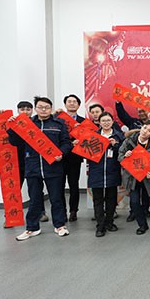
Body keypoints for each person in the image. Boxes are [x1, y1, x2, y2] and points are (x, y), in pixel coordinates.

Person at [8, 96, 72, 241]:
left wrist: (61, 153)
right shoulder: (27, 124)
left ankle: (60, 225)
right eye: (40, 107)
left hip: (54, 167)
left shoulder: (59, 124)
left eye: (47, 107)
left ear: (51, 109)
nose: (44, 110)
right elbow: (15, 142)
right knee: (34, 199)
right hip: (33, 166)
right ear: (35, 109)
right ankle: (32, 228)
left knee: (56, 198)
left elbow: (66, 143)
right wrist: (12, 127)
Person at [0, 101, 50, 225]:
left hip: (33, 162)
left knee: (36, 189)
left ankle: (40, 213)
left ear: (32, 110)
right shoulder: (11, 122)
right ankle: (10, 217)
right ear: (18, 110)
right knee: (12, 189)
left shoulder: (36, 123)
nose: (25, 112)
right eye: (22, 109)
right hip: (16, 163)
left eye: (28, 109)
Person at [85, 112, 124, 237]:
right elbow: (86, 153)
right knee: (98, 200)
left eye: (108, 120)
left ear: (112, 122)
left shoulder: (119, 136)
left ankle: (109, 222)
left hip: (112, 172)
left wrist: (115, 145)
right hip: (96, 172)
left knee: (111, 200)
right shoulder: (93, 136)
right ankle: (100, 226)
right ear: (99, 122)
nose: (106, 123)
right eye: (103, 121)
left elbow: (124, 152)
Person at [115, 101, 150, 222]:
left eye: (143, 111)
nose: (141, 113)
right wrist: (118, 103)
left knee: (146, 188)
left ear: (149, 111)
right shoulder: (133, 122)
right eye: (139, 111)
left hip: (147, 161)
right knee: (133, 188)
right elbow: (122, 114)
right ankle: (133, 212)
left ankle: (145, 210)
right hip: (133, 161)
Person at [59, 94, 85, 222]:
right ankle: (62, 211)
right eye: (69, 101)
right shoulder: (58, 120)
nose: (72, 103)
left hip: (75, 158)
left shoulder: (83, 121)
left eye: (74, 101)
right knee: (59, 186)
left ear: (78, 105)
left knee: (74, 185)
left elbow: (87, 139)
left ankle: (73, 211)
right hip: (60, 157)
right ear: (65, 104)